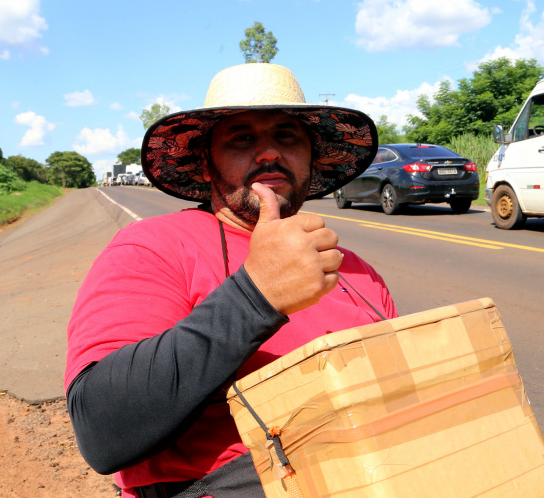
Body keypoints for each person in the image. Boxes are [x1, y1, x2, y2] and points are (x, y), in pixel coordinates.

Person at [64, 63, 397, 498]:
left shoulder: (356, 272)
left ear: (312, 160)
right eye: (242, 138)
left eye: (287, 136)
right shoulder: (153, 247)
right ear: (205, 165)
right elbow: (102, 429)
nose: (268, 154)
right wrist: (257, 296)